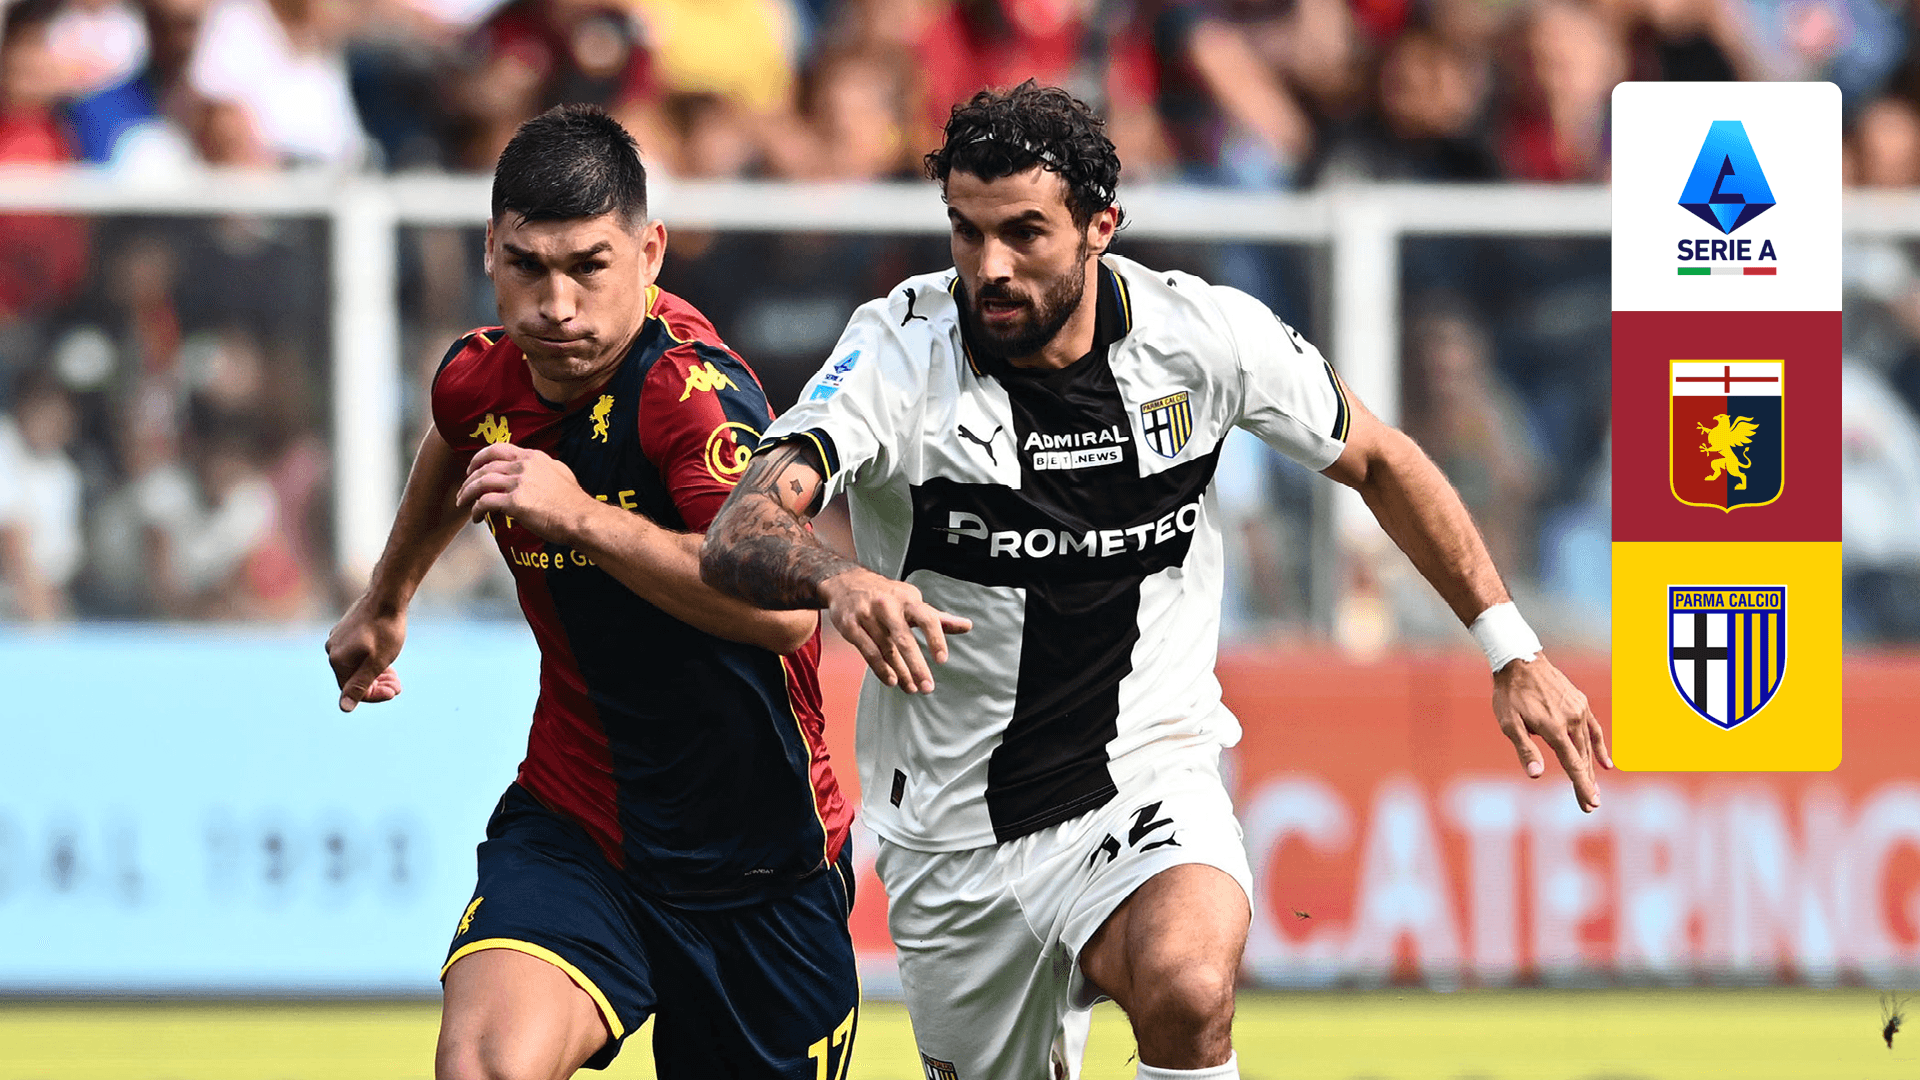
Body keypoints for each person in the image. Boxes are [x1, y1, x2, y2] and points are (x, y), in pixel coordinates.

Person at [698, 81, 1608, 1080]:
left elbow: (1381, 459)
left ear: (1101, 227)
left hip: (1146, 773)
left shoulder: (1200, 337)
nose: (989, 266)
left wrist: (1510, 648)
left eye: (1024, 233)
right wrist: (838, 579)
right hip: (956, 835)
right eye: (967, 231)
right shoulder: (898, 352)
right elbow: (742, 525)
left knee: (1188, 984)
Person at [324, 103, 858, 1080]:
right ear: (490, 252)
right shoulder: (483, 376)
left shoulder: (693, 397)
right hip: (580, 830)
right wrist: (388, 598)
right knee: (485, 1067)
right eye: (527, 266)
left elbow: (784, 616)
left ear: (650, 254)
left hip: (763, 866)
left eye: (588, 267)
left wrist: (580, 517)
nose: (557, 306)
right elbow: (457, 434)